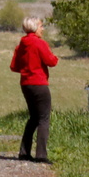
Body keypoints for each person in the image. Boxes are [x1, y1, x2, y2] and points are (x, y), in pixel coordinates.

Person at [11, 17, 58, 162]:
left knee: (33, 118)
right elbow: (51, 61)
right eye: (41, 26)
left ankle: (24, 152)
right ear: (34, 28)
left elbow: (14, 66)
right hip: (39, 84)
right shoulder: (39, 43)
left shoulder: (21, 45)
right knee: (44, 119)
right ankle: (41, 155)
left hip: (26, 84)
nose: (42, 29)